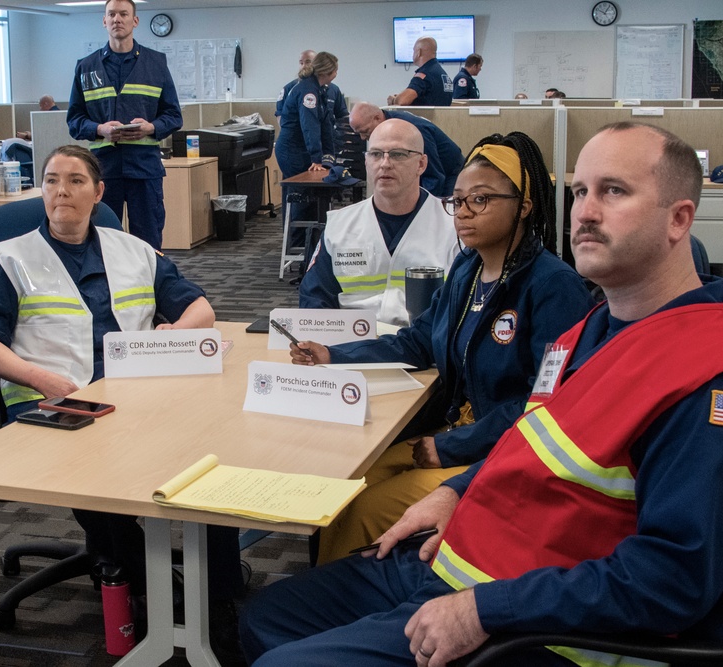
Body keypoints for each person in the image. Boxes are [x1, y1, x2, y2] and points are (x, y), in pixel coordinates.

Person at [240, 122, 723, 667]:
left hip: (523, 612)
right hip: (468, 549)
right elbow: (531, 434)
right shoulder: (587, 331)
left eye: (614, 191)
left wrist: (485, 608)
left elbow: (674, 579)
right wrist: (459, 490)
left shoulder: (701, 372)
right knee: (264, 618)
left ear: (679, 219)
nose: (585, 212)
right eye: (581, 191)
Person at [0, 144, 244, 660]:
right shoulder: (9, 256)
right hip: (52, 403)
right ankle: (166, 593)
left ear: (98, 192)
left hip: (135, 392)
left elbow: (201, 307)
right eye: (50, 181)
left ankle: (221, 596)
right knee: (99, 473)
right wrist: (39, 378)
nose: (60, 191)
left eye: (73, 181)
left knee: (212, 459)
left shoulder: (132, 248)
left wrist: (172, 334)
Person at [291, 132, 594, 565]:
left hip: (503, 454)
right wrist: (333, 354)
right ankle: (335, 593)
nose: (464, 213)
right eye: (459, 200)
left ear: (523, 207)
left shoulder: (553, 287)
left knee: (362, 509)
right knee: (346, 480)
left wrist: (452, 448)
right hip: (454, 433)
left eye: (482, 200)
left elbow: (544, 407)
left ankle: (334, 603)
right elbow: (418, 341)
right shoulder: (467, 268)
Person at [299, 118, 458, 327]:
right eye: (375, 154)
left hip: (424, 351)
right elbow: (314, 303)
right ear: (366, 161)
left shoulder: (453, 226)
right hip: (350, 349)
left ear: (421, 164)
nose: (384, 164)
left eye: (398, 154)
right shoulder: (340, 226)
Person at [67, 0, 183, 251]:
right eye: (111, 14)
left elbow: (174, 115)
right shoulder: (86, 67)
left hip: (144, 167)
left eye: (123, 14)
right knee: (102, 239)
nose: (117, 19)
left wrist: (150, 127)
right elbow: (74, 120)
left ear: (135, 21)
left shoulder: (156, 63)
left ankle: (150, 288)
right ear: (104, 21)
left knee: (148, 241)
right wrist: (100, 129)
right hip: (103, 169)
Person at [275, 51, 339, 266]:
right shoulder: (307, 91)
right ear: (330, 72)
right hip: (293, 151)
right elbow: (309, 126)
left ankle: (311, 246)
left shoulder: (319, 89)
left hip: (303, 150)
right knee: (301, 197)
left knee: (313, 196)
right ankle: (299, 251)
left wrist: (328, 157)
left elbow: (326, 125)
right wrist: (317, 158)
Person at [349, 102, 463, 197]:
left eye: (365, 131)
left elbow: (434, 176)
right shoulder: (387, 122)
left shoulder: (411, 129)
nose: (363, 138)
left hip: (450, 172)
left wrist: (424, 207)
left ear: (377, 118)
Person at [387, 37, 453, 107]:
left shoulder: (424, 74)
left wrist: (394, 100)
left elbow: (402, 101)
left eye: (414, 51)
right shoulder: (442, 74)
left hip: (425, 117)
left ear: (419, 52)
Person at [275, 50, 316, 118]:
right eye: (301, 63)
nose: (304, 66)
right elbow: (280, 115)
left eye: (308, 62)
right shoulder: (289, 88)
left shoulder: (330, 88)